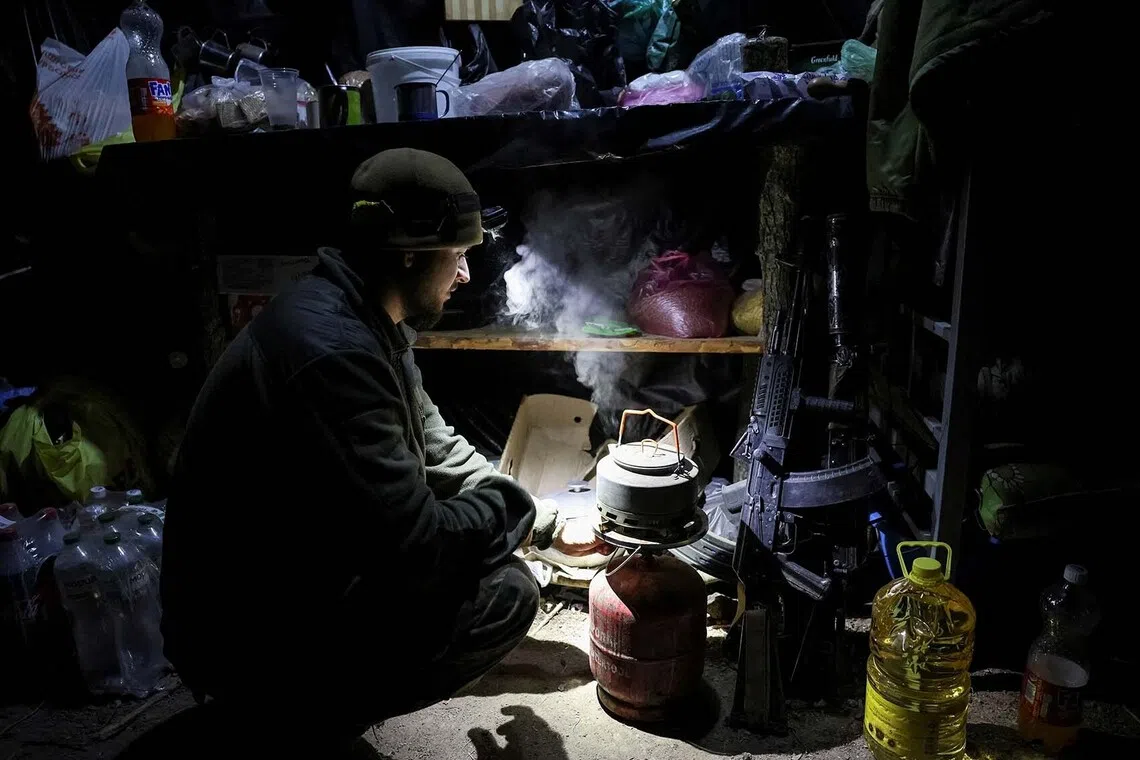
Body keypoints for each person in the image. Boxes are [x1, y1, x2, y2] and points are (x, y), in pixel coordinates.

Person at [160, 148, 602, 746]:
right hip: (239, 629)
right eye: (458, 256)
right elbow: (418, 547)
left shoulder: (368, 318)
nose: (466, 275)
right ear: (410, 252)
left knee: (486, 555)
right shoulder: (332, 353)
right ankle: (290, 721)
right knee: (504, 594)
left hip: (282, 573)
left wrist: (544, 521)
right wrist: (514, 513)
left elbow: (439, 448)